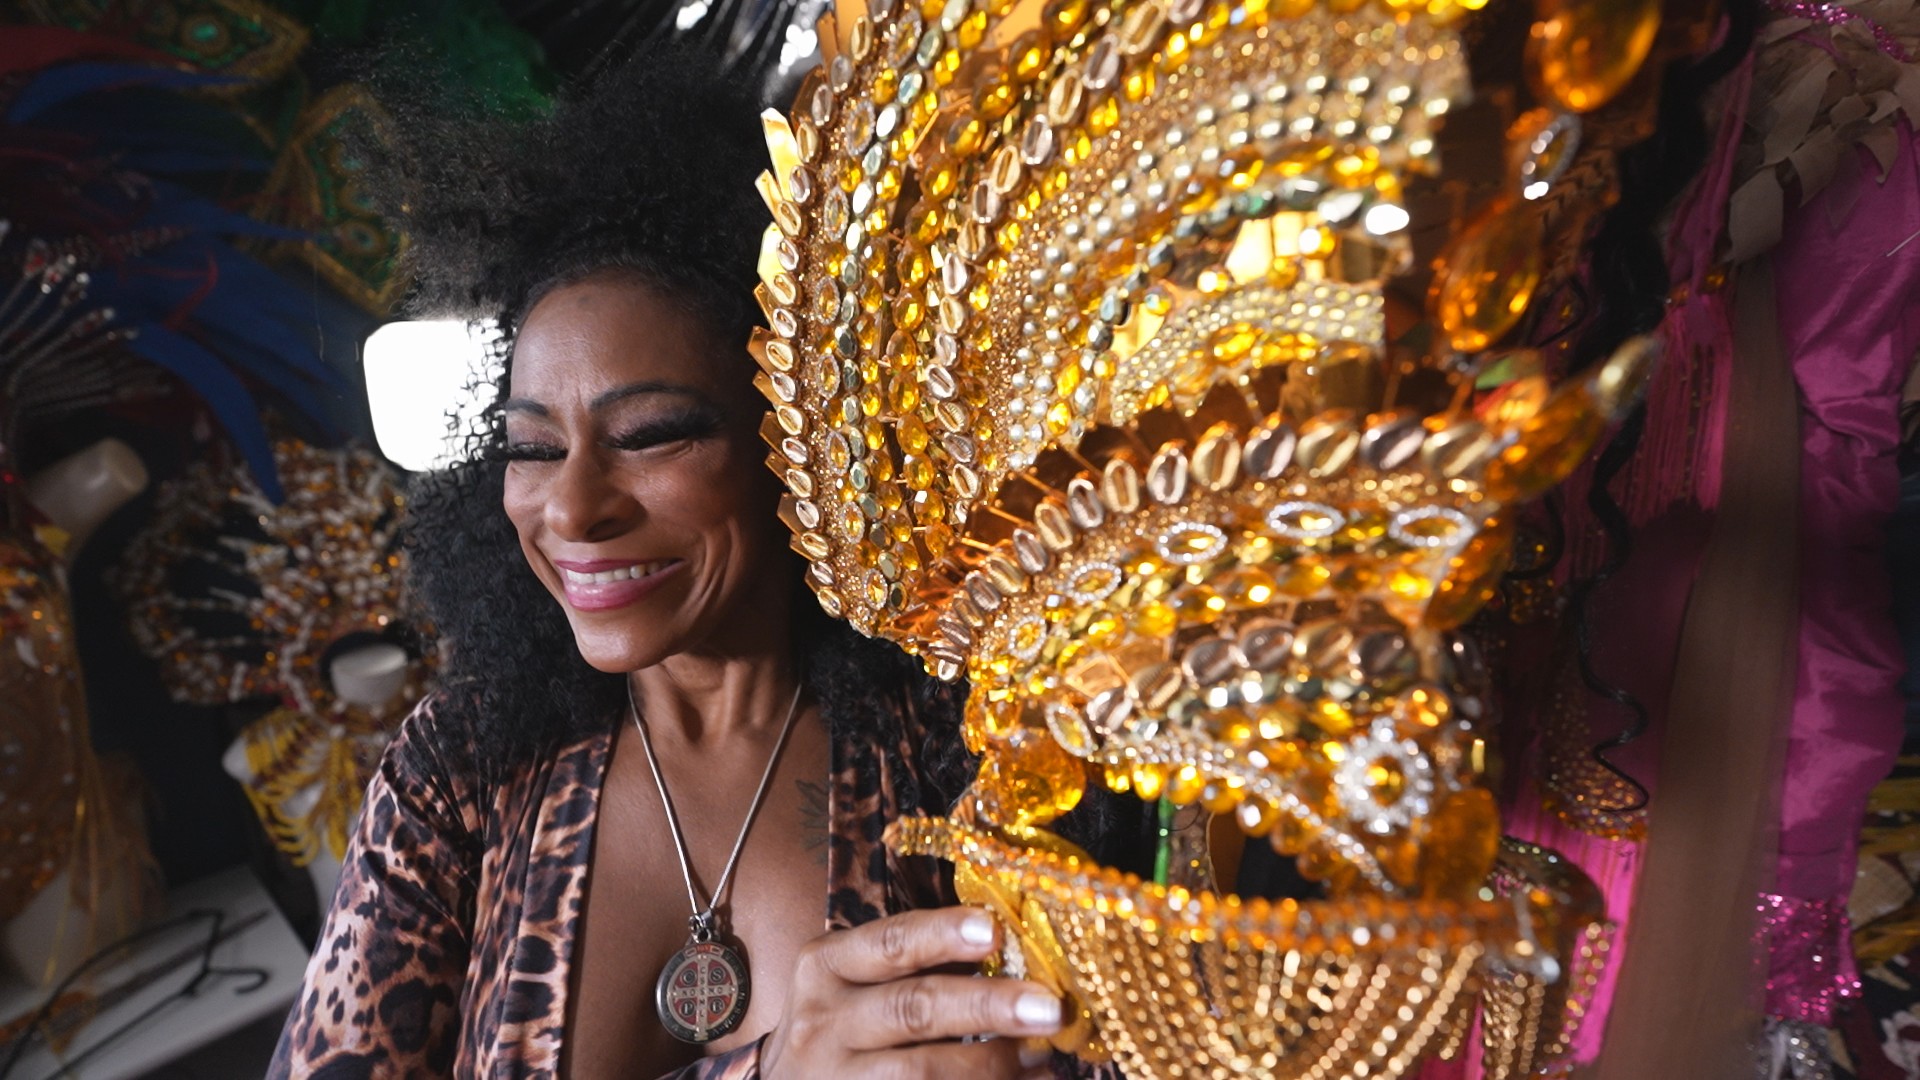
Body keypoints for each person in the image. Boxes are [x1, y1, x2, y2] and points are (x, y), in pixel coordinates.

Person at [267, 48, 1097, 1079]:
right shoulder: (461, 772)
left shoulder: (965, 750)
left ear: (799, 440)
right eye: (532, 448)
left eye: (651, 435)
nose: (573, 507)